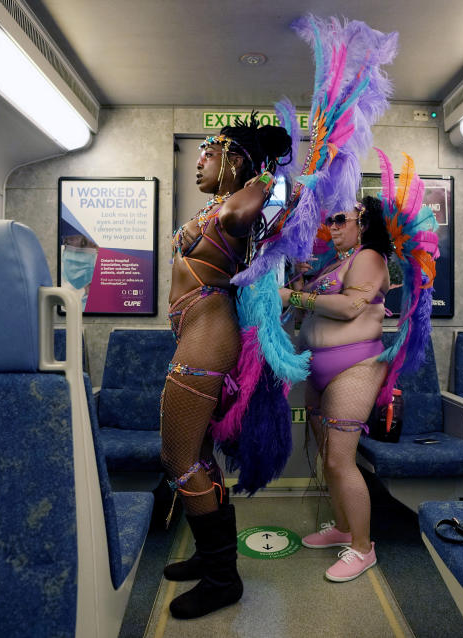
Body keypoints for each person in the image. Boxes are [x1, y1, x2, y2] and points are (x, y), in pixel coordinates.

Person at [161, 114, 291, 619]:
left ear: (234, 158)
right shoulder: (220, 205)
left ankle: (223, 578)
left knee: (179, 460)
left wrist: (267, 171)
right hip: (197, 333)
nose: (198, 163)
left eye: (207, 153)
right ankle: (210, 559)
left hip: (207, 338)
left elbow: (266, 205)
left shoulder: (243, 202)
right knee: (199, 456)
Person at [279, 196, 393, 582]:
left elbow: (349, 308)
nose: (333, 226)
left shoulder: (370, 256)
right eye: (331, 220)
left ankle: (363, 548)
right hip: (318, 368)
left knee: (339, 461)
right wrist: (297, 283)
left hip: (355, 367)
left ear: (363, 222)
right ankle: (343, 527)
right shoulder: (333, 263)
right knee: (326, 455)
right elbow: (300, 316)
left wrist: (293, 294)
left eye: (341, 219)